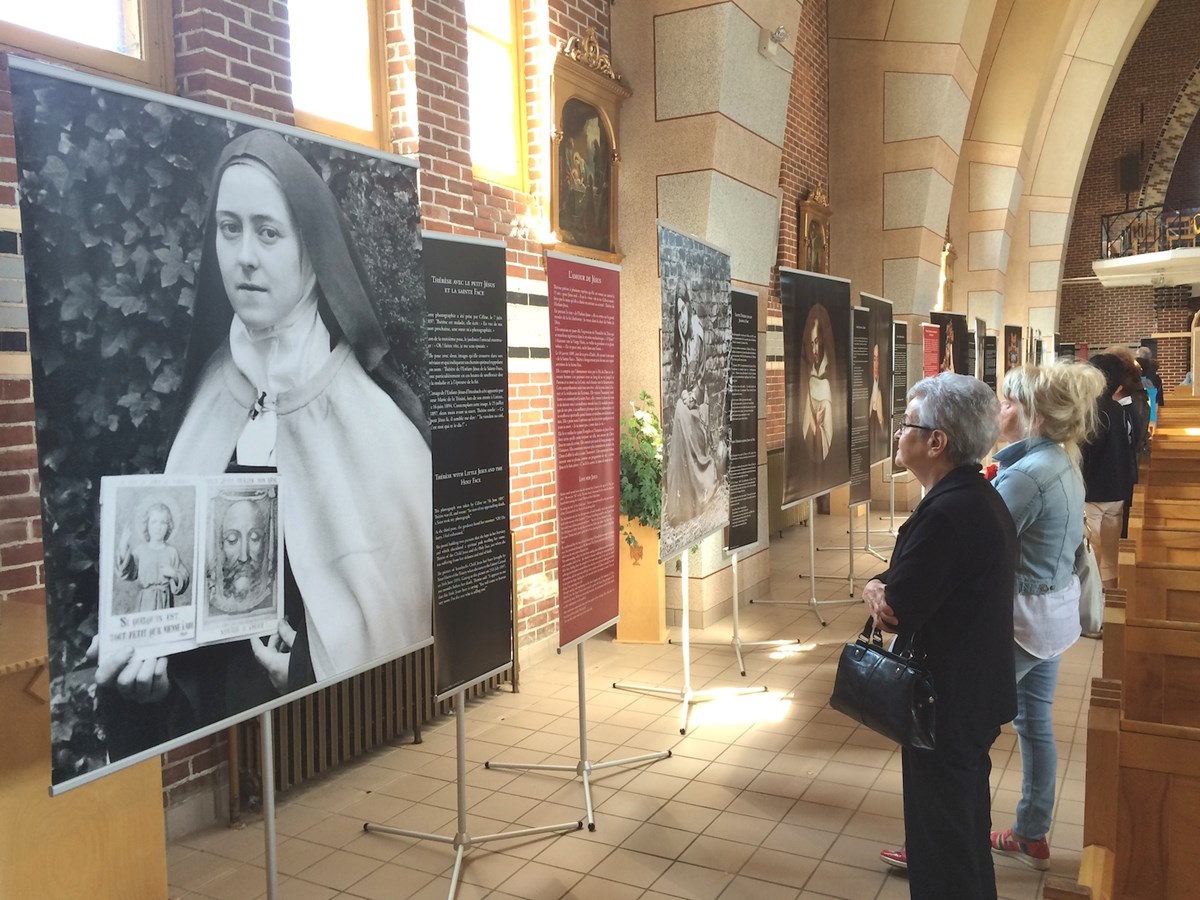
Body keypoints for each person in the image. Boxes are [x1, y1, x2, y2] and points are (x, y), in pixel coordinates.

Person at [96, 129, 433, 735]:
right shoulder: (211, 393)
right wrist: (144, 673)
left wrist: (300, 674)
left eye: (268, 232)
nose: (244, 254)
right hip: (230, 760)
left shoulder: (377, 426)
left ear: (311, 250)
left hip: (334, 761)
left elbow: (395, 627)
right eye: (229, 228)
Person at [864, 373, 1017, 899]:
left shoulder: (950, 512)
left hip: (947, 702)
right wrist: (883, 583)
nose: (898, 433)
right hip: (968, 692)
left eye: (906, 423)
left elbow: (897, 608)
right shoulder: (971, 495)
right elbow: (910, 582)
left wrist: (877, 589)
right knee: (962, 832)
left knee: (942, 846)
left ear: (936, 441)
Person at [986, 362, 1104, 869]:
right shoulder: (1062, 459)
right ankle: (1032, 831)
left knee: (960, 728)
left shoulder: (1031, 474)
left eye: (1008, 401)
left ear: (1034, 414)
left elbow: (974, 542)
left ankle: (944, 838)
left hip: (1022, 622)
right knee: (1034, 725)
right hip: (1052, 619)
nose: (1000, 409)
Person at [1081, 354, 1136, 589]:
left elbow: (1087, 452)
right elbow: (1131, 441)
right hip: (1118, 488)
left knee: (1091, 551)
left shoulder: (1092, 410)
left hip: (1094, 491)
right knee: (1111, 556)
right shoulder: (1119, 408)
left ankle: (1097, 605)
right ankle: (1112, 601)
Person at [665, 285, 718, 521]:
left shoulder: (695, 335)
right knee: (678, 411)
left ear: (689, 308)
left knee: (681, 413)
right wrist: (683, 396)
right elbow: (682, 378)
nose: (680, 319)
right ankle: (683, 498)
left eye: (682, 311)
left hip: (699, 403)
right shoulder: (684, 337)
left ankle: (694, 491)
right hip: (689, 402)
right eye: (677, 315)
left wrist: (689, 396)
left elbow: (698, 379)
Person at [116, 501, 191, 612]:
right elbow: (127, 571)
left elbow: (184, 577)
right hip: (145, 603)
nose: (158, 527)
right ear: (147, 525)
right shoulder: (140, 551)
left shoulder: (171, 552)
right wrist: (123, 547)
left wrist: (173, 574)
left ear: (169, 526)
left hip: (165, 601)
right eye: (154, 522)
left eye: (163, 523)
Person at [801, 306, 835, 460]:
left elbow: (827, 440)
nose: (814, 350)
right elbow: (806, 427)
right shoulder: (810, 379)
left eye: (817, 342)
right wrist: (815, 423)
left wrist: (817, 426)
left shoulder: (827, 383)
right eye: (811, 343)